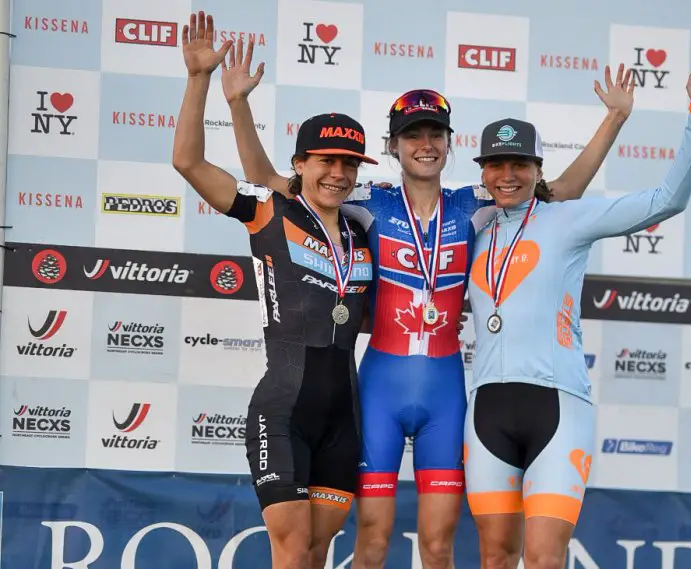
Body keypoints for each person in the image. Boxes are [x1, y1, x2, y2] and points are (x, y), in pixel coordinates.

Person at [219, 27, 633, 569]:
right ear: (394, 146)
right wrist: (238, 105)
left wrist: (613, 121)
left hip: (444, 389)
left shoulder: (476, 203)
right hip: (380, 386)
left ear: (449, 143)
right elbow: (271, 186)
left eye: (436, 133)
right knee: (371, 542)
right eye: (413, 134)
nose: (426, 143)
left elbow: (560, 193)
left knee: (438, 546)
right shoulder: (365, 199)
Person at [464, 56, 691, 569]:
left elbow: (667, 201)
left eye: (520, 164)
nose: (508, 175)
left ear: (539, 171)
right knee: (494, 558)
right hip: (486, 411)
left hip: (558, 410)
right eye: (496, 164)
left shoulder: (568, 218)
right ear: (484, 172)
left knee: (543, 558)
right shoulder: (472, 230)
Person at [172, 12, 379, 569]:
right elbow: (188, 162)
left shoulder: (363, 231)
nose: (338, 172)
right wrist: (202, 82)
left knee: (316, 550)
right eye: (326, 161)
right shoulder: (268, 210)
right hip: (283, 409)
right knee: (289, 550)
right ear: (300, 165)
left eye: (349, 163)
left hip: (346, 415)